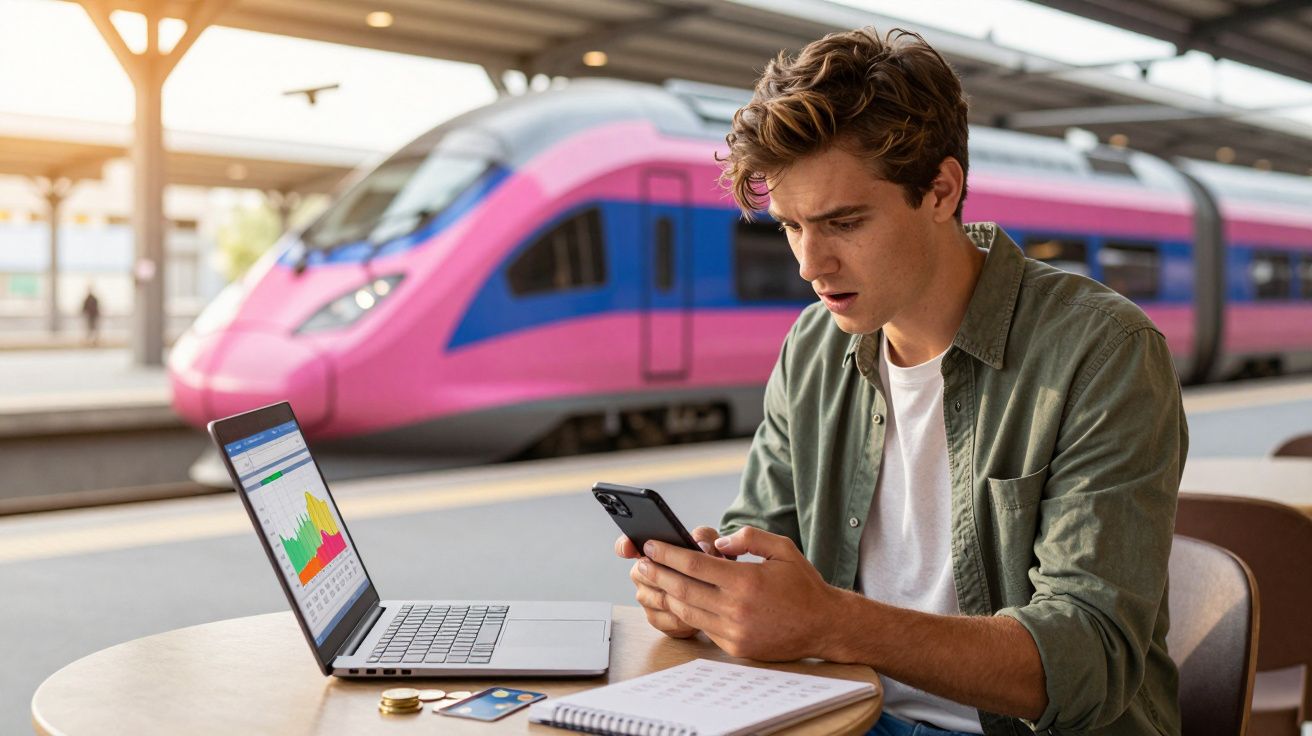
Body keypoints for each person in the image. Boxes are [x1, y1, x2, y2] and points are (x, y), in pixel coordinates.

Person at [615, 26, 1186, 736]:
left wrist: (830, 622)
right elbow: (760, 536)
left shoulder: (1103, 353)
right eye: (790, 226)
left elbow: (1088, 661)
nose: (809, 265)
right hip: (843, 719)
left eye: (843, 222)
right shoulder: (813, 346)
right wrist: (710, 595)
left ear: (941, 190)